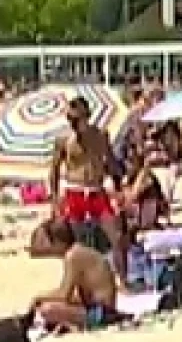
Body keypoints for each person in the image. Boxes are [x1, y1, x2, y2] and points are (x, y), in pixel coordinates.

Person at [48, 96, 125, 280]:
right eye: (70, 119)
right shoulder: (64, 140)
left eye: (76, 118)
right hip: (74, 191)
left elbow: (111, 162)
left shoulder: (100, 135)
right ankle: (82, 282)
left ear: (87, 116)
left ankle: (122, 280)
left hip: (96, 191)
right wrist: (54, 199)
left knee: (116, 237)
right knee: (80, 243)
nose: (73, 123)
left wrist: (119, 187)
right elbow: (54, 170)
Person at [30, 219, 121, 330]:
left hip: (103, 313)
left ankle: (74, 325)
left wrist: (38, 298)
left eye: (44, 241)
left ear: (57, 241)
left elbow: (64, 295)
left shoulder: (73, 256)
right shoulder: (77, 252)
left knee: (47, 309)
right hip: (102, 308)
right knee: (50, 307)